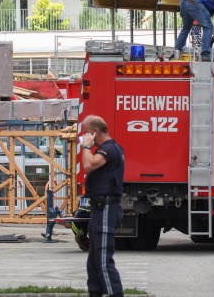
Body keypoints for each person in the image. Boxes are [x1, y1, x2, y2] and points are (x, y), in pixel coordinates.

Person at [81, 115, 125, 297]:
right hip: (99, 208)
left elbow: (88, 164)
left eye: (86, 132)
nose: (83, 136)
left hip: (106, 208)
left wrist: (86, 146)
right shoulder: (108, 148)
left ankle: (115, 293)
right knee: (93, 261)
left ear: (95, 132)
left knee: (102, 259)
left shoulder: (109, 149)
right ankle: (95, 292)